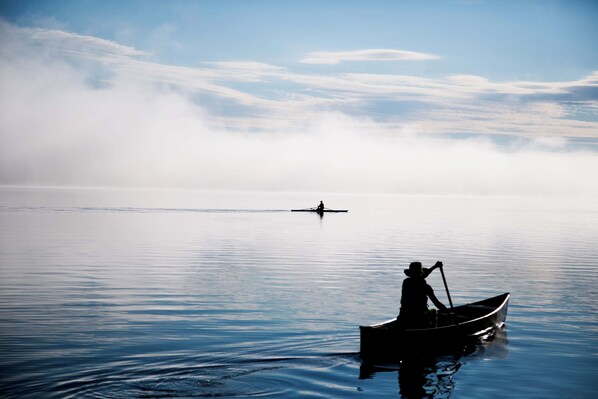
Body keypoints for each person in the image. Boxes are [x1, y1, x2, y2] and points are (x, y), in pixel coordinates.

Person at [398, 261, 448, 329]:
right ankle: (432, 330)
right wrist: (449, 312)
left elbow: (419, 277)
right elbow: (437, 304)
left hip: (404, 316)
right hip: (419, 318)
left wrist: (434, 266)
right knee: (433, 311)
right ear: (421, 273)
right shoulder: (426, 287)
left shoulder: (406, 282)